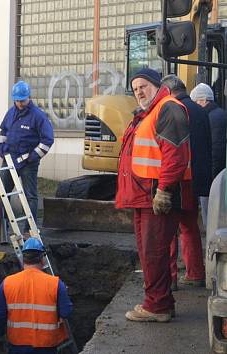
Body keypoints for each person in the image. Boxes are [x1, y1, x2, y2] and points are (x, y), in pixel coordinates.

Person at [116, 68, 195, 322]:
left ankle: (157, 307)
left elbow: (175, 154)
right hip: (144, 196)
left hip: (156, 196)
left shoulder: (167, 108)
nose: (139, 91)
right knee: (151, 251)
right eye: (135, 87)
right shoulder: (148, 113)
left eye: (143, 86)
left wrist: (163, 190)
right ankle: (160, 302)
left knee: (154, 252)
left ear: (156, 85)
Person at [161, 75, 209, 290]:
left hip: (178, 179)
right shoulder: (201, 110)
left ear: (168, 91)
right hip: (195, 178)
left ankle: (170, 279)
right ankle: (196, 273)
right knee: (190, 227)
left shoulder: (174, 109)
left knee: (168, 230)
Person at [0, 238, 72, 353]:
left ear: (23, 259)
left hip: (18, 345)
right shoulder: (55, 284)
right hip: (46, 345)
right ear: (42, 259)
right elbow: (66, 312)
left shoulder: (8, 283)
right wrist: (63, 295)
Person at [0, 81, 54, 235]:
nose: (20, 103)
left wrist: (33, 157)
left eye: (22, 100)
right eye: (17, 100)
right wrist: (1, 149)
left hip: (28, 163)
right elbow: (3, 131)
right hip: (9, 160)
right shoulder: (11, 113)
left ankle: (30, 229)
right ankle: (2, 228)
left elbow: (47, 140)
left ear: (29, 97)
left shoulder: (38, 116)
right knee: (3, 193)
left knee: (30, 196)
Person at [191, 83, 227, 180]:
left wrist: (211, 178)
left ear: (203, 100)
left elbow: (216, 151)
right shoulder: (216, 114)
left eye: (194, 102)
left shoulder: (212, 118)